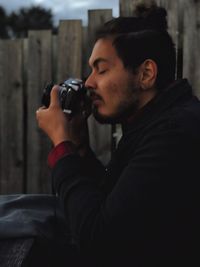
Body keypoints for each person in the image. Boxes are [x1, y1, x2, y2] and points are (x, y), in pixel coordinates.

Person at [36, 3, 200, 267]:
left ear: (146, 74)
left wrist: (61, 146)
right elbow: (115, 207)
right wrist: (78, 147)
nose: (89, 83)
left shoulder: (174, 133)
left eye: (101, 69)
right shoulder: (154, 123)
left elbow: (99, 241)